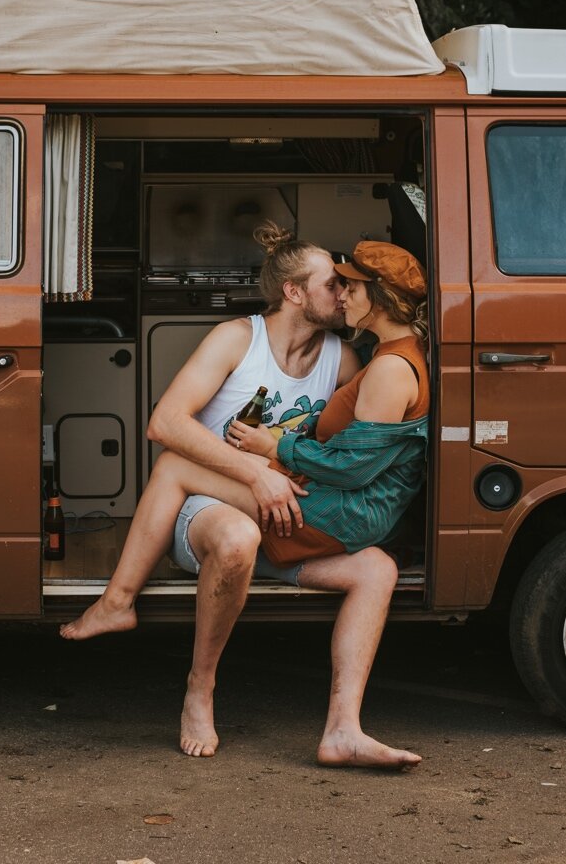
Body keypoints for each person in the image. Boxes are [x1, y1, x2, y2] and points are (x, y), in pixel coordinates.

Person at [63, 229, 430, 770]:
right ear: (294, 293)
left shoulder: (347, 359)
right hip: (212, 508)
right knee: (237, 535)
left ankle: (343, 730)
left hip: (288, 515)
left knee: (376, 569)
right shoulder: (237, 338)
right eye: (333, 283)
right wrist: (257, 475)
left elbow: (357, 444)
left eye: (350, 285)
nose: (343, 293)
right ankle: (200, 689)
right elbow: (165, 423)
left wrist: (290, 469)